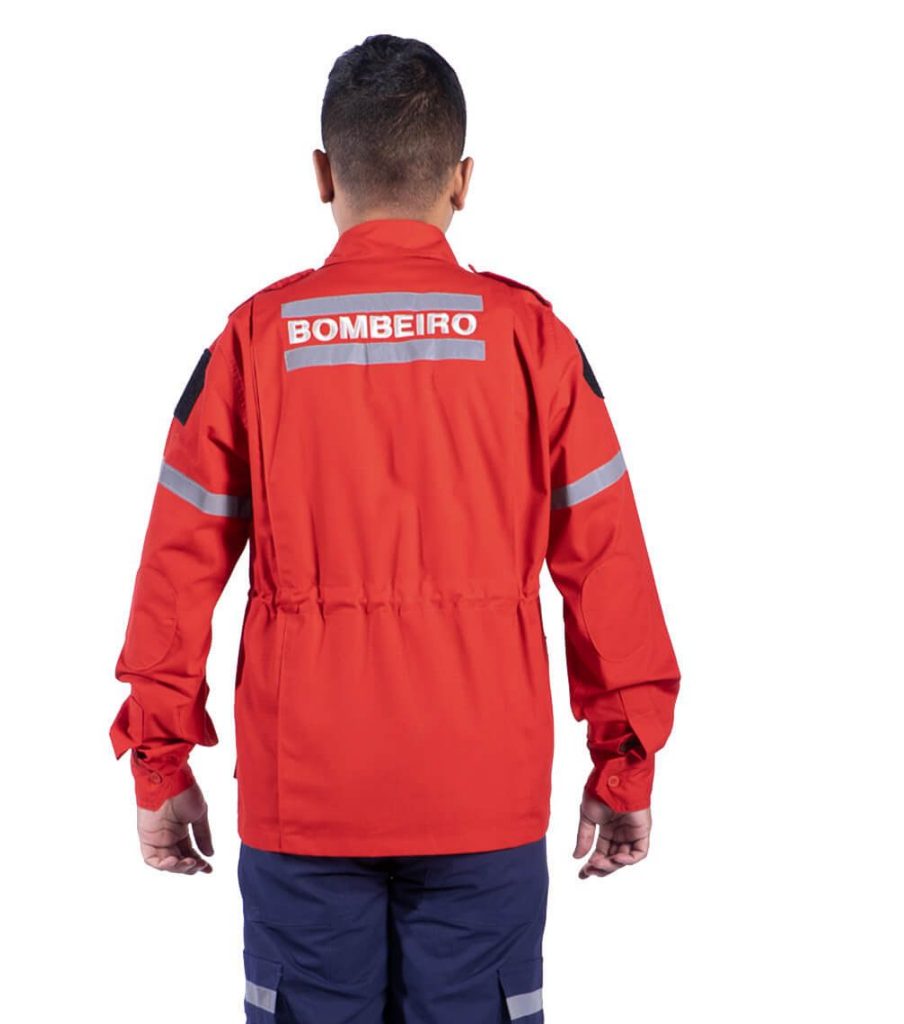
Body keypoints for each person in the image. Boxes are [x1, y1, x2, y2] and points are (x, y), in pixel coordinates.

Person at [109, 33, 680, 1023]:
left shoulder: (256, 339)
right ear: (462, 181)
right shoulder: (531, 340)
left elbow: (178, 562)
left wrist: (160, 762)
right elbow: (607, 563)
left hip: (305, 798)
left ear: (323, 175)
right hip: (481, 793)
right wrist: (623, 762)